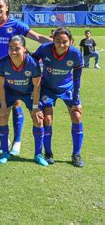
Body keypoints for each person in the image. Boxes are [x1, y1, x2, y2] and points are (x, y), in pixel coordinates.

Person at [0, 0, 51, 156]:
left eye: (0, 6)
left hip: (16, 71)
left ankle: (17, 141)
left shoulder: (16, 24)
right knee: (0, 106)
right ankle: (4, 140)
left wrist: (56, 43)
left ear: (7, 8)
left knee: (16, 104)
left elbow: (37, 37)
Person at [33, 28, 85, 167]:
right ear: (52, 40)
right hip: (48, 89)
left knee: (77, 116)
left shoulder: (75, 54)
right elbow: (32, 61)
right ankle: (48, 153)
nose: (61, 45)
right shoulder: (44, 49)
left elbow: (77, 79)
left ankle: (76, 154)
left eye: (65, 42)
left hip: (68, 88)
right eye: (57, 41)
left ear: (71, 41)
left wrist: (76, 101)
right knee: (48, 119)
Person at [0, 35, 47, 166]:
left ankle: (38, 154)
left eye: (17, 48)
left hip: (28, 92)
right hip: (10, 92)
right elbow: (0, 86)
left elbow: (36, 86)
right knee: (2, 117)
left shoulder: (32, 63)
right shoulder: (2, 63)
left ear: (24, 49)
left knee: (38, 119)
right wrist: (2, 106)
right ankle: (5, 152)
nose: (13, 51)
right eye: (10, 48)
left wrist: (35, 107)